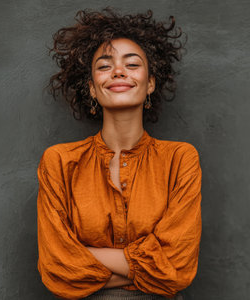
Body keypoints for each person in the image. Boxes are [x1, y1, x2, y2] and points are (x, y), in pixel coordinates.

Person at [36, 8, 202, 300]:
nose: (118, 71)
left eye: (132, 64)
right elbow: (56, 266)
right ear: (92, 88)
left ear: (150, 83)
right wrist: (151, 269)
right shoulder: (59, 162)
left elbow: (179, 264)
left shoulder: (179, 159)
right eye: (104, 66)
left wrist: (84, 258)